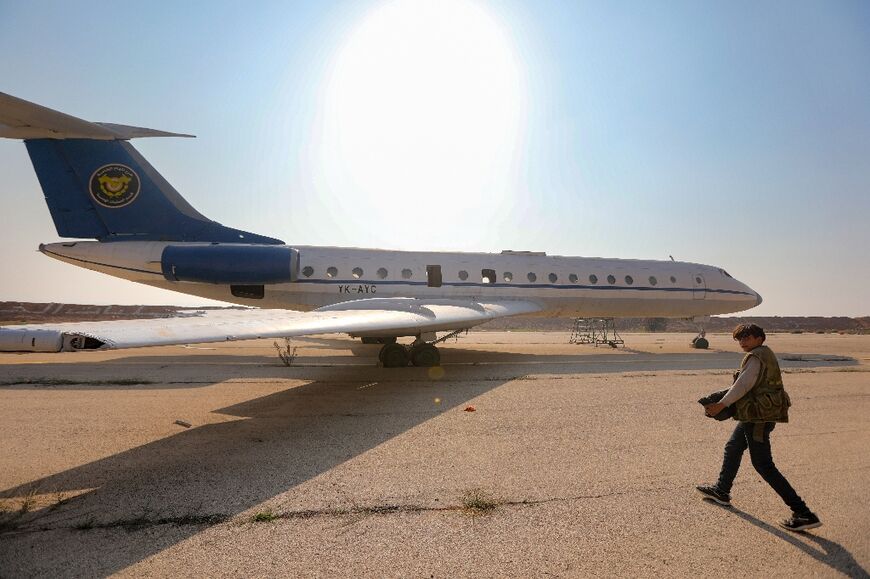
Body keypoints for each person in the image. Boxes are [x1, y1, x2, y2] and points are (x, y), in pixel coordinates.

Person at [696, 323, 821, 532]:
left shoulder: (756, 356)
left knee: (763, 465)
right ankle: (721, 490)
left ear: (759, 338)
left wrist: (721, 404)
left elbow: (743, 385)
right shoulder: (763, 354)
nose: (743, 342)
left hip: (758, 419)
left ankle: (804, 513)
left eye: (747, 338)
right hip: (756, 415)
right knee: (733, 447)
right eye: (740, 339)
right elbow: (748, 385)